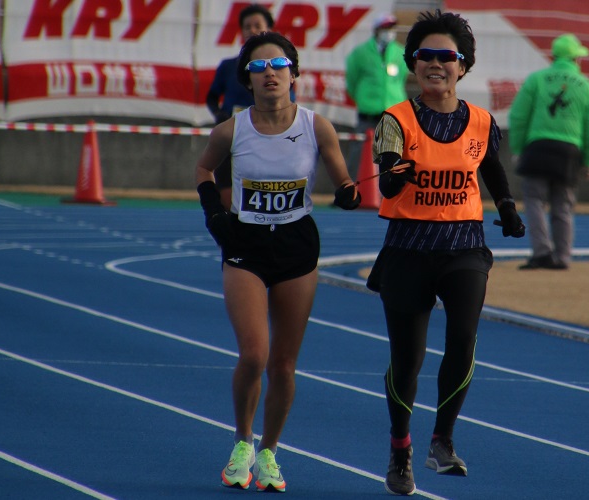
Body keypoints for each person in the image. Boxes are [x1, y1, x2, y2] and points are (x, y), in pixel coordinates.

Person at [364, 10, 526, 496]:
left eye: (446, 56)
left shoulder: (481, 120)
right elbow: (387, 179)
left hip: (464, 248)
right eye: (426, 55)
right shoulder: (395, 120)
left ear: (463, 66)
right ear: (413, 63)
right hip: (408, 250)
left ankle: (443, 439)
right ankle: (400, 448)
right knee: (407, 360)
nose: (436, 63)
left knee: (462, 340)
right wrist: (397, 175)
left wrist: (507, 206)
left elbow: (490, 165)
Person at [195, 31, 361, 492]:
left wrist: (349, 194)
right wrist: (213, 213)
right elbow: (203, 169)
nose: (269, 73)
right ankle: (242, 442)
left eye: (278, 65)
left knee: (284, 365)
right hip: (246, 246)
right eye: (258, 67)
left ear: (294, 74)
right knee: (254, 354)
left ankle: (269, 452)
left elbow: (345, 183)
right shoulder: (231, 130)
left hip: (296, 246)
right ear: (247, 79)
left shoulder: (316, 127)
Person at [508, 33, 589, 270]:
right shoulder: (588, 87)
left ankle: (541, 252)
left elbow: (518, 117)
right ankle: (562, 257)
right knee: (563, 205)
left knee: (534, 200)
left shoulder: (536, 80)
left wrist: (518, 149)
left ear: (553, 56)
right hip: (569, 152)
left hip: (538, 148)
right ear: (576, 59)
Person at [206, 4, 275, 209]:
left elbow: (288, 101)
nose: (252, 30)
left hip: (266, 139)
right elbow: (212, 97)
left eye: (257, 25)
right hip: (232, 136)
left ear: (269, 29)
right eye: (247, 26)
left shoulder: (278, 69)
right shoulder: (229, 66)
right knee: (227, 192)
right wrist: (219, 114)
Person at [344, 12, 408, 181]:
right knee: (359, 153)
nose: (389, 32)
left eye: (392, 28)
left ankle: (391, 190)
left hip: (393, 114)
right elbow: (352, 81)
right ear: (376, 30)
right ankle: (352, 188)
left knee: (394, 154)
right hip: (368, 114)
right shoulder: (360, 53)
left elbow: (401, 79)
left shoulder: (401, 53)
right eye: (385, 28)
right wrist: (365, 101)